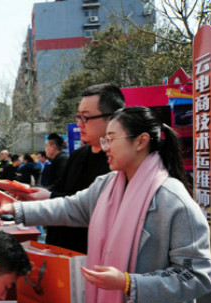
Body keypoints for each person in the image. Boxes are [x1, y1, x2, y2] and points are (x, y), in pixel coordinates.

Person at [0, 107, 211, 303]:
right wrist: (14, 210)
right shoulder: (107, 185)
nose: (104, 147)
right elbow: (68, 207)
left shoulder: (172, 201)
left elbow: (197, 276)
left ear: (141, 141)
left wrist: (129, 283)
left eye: (111, 138)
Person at [10, 84, 125, 254]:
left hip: (92, 253)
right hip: (60, 247)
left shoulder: (119, 162)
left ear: (113, 118)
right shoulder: (78, 155)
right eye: (78, 117)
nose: (79, 124)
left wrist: (48, 196)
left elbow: (87, 206)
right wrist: (35, 194)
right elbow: (60, 190)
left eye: (85, 118)